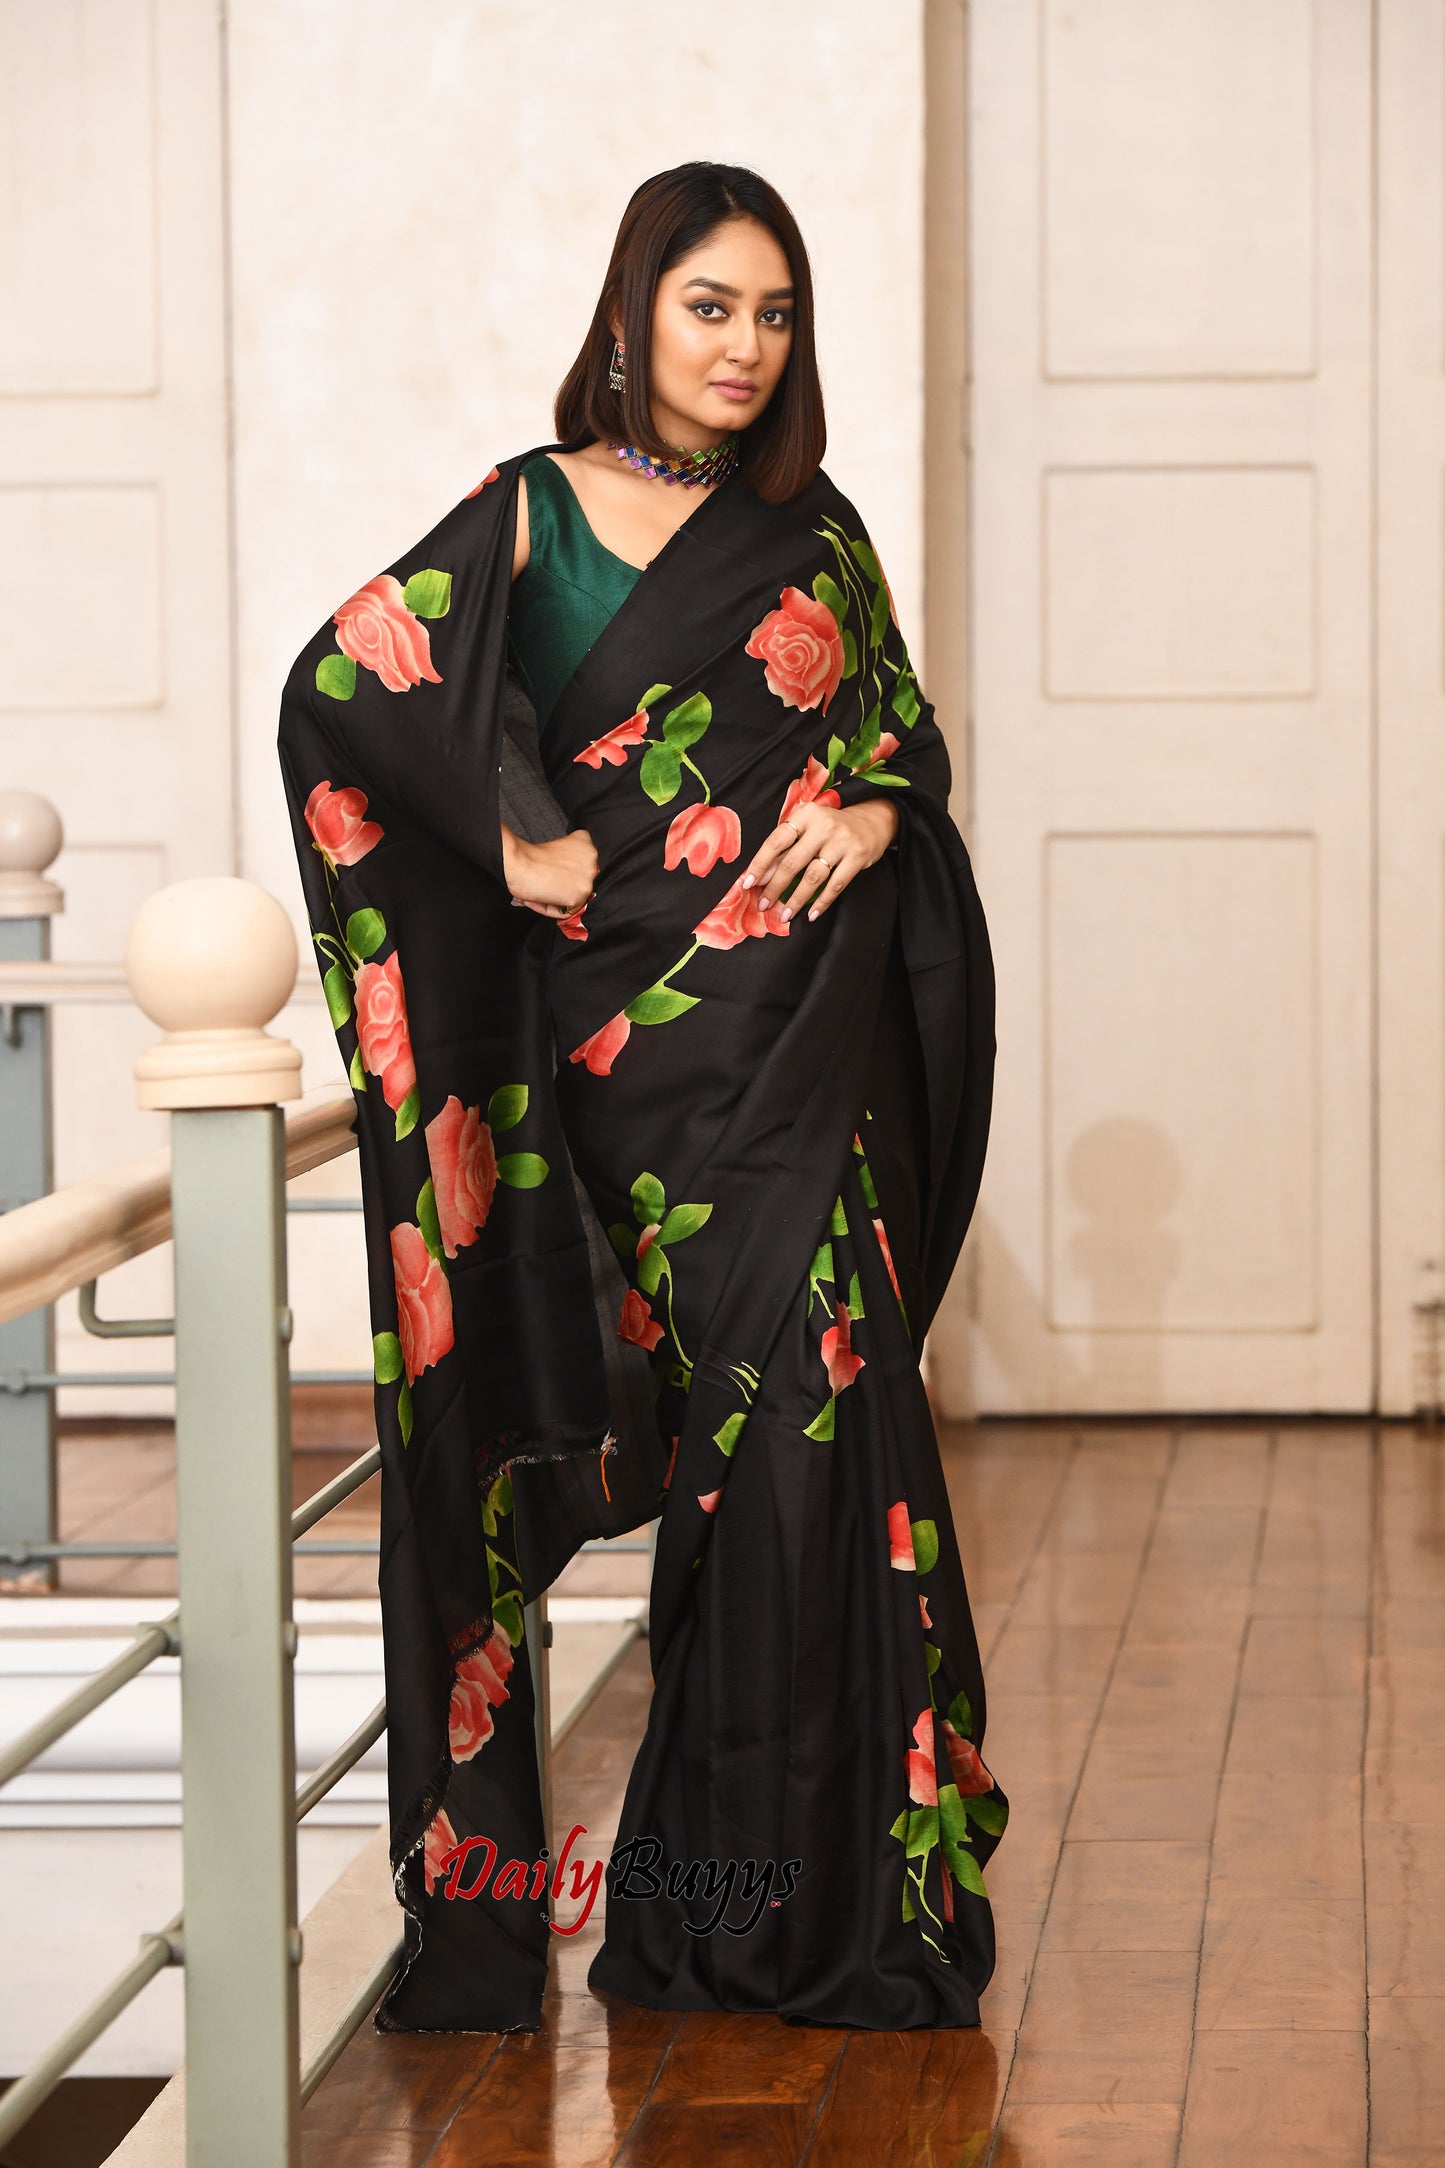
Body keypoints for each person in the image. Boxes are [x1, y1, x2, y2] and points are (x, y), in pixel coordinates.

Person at [278, 160, 1005, 2037]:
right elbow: (344, 688)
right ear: (629, 315)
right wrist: (512, 836)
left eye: (773, 314)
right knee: (742, 1446)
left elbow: (898, 737)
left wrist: (873, 814)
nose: (743, 346)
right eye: (708, 307)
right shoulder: (528, 513)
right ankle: (724, 1906)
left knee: (826, 1432)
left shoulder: (814, 530)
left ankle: (800, 1908)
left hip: (807, 1048)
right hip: (634, 1071)